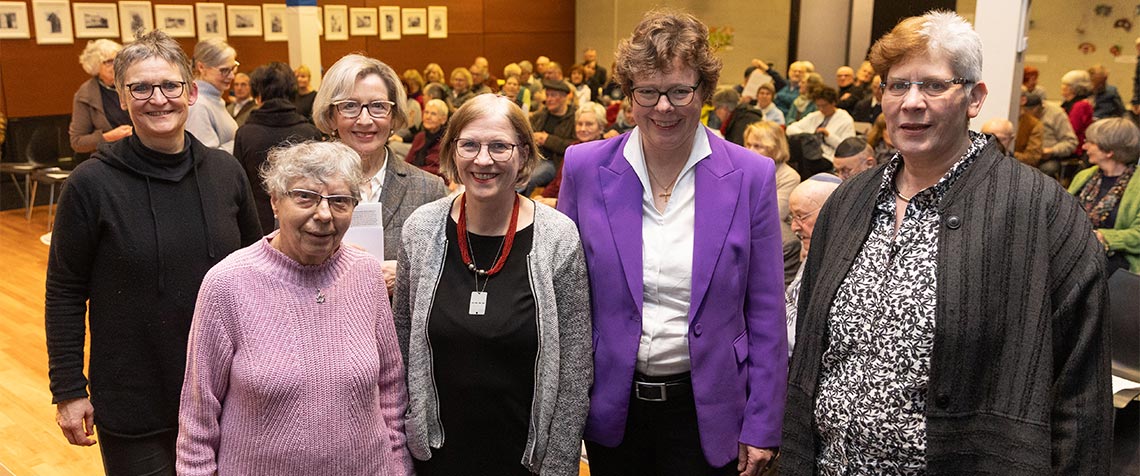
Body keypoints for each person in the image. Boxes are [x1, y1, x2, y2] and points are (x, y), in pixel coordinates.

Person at [781, 11, 1111, 474]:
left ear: (974, 98)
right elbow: (813, 352)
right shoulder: (850, 201)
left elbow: (1080, 394)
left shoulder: (1039, 211)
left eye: (934, 86)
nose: (911, 102)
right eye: (897, 86)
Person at [557, 10, 787, 476]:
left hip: (710, 411)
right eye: (648, 91)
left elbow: (766, 310)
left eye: (680, 90)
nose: (664, 107)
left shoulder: (749, 176)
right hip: (612, 409)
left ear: (703, 92)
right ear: (628, 95)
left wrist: (763, 423)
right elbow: (564, 297)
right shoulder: (584, 167)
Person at [45, 30, 262, 475]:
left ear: (191, 91)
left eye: (169, 86)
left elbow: (260, 274)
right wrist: (68, 389)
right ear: (123, 99)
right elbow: (65, 291)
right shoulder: (91, 186)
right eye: (140, 88)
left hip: (227, 395)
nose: (157, 99)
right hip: (133, 399)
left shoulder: (226, 173)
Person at [176, 141, 411, 475]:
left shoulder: (366, 274)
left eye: (340, 201)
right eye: (305, 197)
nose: (324, 214)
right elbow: (198, 415)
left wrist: (398, 468)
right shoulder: (227, 283)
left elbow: (390, 386)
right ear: (274, 201)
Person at [394, 94, 591, 475]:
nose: (483, 160)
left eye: (499, 146)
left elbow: (575, 367)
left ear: (524, 156)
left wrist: (558, 464)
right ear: (452, 152)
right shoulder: (421, 230)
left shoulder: (558, 237)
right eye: (469, 145)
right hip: (436, 456)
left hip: (525, 458)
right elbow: (401, 338)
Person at [312, 54, 447, 291]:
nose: (365, 120)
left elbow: (447, 272)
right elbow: (284, 263)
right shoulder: (306, 187)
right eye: (350, 106)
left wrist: (406, 275)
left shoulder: (428, 189)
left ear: (394, 117)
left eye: (378, 107)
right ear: (331, 116)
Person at [233, 61, 323, 232]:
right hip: (304, 225)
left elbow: (240, 187)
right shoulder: (310, 133)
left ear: (258, 94)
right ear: (292, 91)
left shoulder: (245, 134)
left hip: (258, 226)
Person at [1069, 118, 1140, 275]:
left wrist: (1104, 237)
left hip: (1117, 264)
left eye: (1091, 142)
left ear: (1109, 151)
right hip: (1077, 254)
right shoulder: (1084, 176)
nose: (1084, 146)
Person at [782, 173, 841, 357]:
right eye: (792, 217)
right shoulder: (814, 251)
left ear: (831, 214)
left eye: (801, 217)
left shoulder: (843, 264)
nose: (794, 227)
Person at [743, 120, 802, 286]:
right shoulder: (743, 168)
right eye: (748, 145)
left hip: (771, 239)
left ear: (775, 148)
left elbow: (773, 215)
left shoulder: (789, 176)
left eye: (758, 146)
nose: (750, 151)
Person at [69, 39, 132, 161]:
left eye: (118, 60)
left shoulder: (134, 84)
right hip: (112, 159)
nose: (115, 65)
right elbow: (77, 142)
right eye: (108, 62)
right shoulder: (86, 94)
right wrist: (109, 137)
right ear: (95, 66)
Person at [539, 101, 608, 205]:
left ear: (601, 127)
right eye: (579, 124)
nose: (583, 129)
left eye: (589, 124)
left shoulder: (605, 153)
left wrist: (557, 203)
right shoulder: (573, 148)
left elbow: (591, 199)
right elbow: (558, 182)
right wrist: (542, 196)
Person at [185, 38, 239, 153]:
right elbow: (206, 157)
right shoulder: (198, 105)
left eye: (233, 68)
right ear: (201, 67)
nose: (231, 76)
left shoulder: (213, 99)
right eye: (224, 70)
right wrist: (241, 143)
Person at [525, 79, 577, 196]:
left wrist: (548, 140)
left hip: (555, 162)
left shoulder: (574, 118)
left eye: (553, 95)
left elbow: (575, 145)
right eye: (547, 95)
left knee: (528, 178)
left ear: (564, 97)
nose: (548, 99)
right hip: (534, 158)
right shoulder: (542, 114)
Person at [785, 86, 856, 161]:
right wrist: (807, 135)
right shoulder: (815, 115)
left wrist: (829, 136)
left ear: (833, 103)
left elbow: (848, 148)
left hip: (829, 157)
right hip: (809, 153)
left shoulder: (845, 119)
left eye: (824, 106)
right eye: (818, 106)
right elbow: (790, 128)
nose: (821, 109)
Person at [405, 98, 449, 179]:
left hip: (435, 182)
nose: (428, 117)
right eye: (426, 112)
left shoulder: (447, 141)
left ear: (443, 119)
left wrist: (415, 170)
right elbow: (407, 161)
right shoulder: (420, 136)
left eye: (433, 114)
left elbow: (442, 171)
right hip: (414, 177)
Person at [1061, 69, 1095, 153]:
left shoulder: (1080, 106)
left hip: (1075, 146)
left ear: (1074, 88)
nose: (1062, 86)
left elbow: (1072, 129)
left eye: (1066, 84)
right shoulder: (1067, 103)